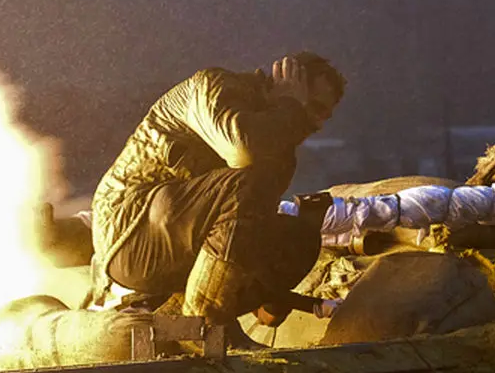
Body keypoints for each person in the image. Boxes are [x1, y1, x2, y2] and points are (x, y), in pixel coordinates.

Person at [87, 53, 347, 327]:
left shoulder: (279, 149)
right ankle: (204, 326)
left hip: (181, 252)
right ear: (283, 84)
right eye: (313, 107)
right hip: (130, 235)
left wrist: (269, 291)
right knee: (247, 180)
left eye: (325, 116)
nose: (318, 124)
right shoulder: (213, 86)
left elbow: (243, 230)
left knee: (299, 238)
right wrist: (289, 104)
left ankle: (180, 321)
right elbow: (241, 150)